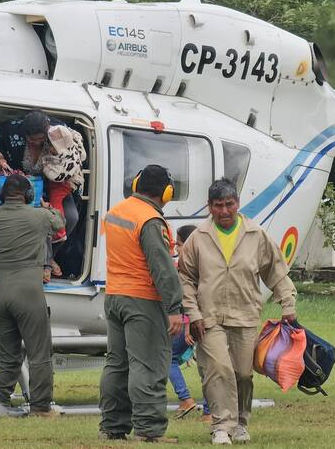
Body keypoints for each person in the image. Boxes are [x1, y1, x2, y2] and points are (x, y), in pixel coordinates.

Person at [178, 178, 297, 445]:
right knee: (218, 368)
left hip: (245, 315)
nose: (224, 211)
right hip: (208, 317)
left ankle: (241, 421)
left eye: (229, 204)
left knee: (243, 373)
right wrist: (193, 314)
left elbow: (276, 272)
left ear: (238, 204)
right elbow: (185, 278)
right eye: (218, 205)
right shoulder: (198, 238)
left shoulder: (256, 235)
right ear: (209, 206)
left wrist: (287, 304)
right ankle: (221, 425)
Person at [99, 164, 184, 443]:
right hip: (142, 300)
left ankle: (113, 426)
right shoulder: (150, 220)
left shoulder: (117, 212)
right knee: (146, 364)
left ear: (136, 184)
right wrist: (174, 309)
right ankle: (149, 430)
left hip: (114, 297)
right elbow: (162, 268)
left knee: (117, 364)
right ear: (167, 193)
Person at [0, 174, 64, 416]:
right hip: (28, 291)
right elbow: (60, 223)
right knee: (39, 352)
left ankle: (0, 396)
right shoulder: (39, 216)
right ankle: (40, 406)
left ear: (1, 195)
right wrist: (48, 206)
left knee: (8, 350)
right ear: (29, 196)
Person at [0, 111, 86, 279]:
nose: (35, 143)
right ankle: (38, 262)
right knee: (29, 219)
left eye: (39, 139)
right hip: (19, 185)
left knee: (71, 217)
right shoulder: (11, 130)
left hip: (52, 184)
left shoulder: (60, 132)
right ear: (24, 134)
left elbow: (75, 156)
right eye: (31, 140)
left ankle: (49, 257)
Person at [169, 224, 210, 421]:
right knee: (208, 365)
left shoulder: (187, 268)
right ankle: (209, 411)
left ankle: (186, 398)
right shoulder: (208, 264)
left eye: (179, 244)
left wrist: (186, 326)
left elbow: (188, 300)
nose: (176, 249)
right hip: (205, 322)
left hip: (193, 323)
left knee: (168, 358)